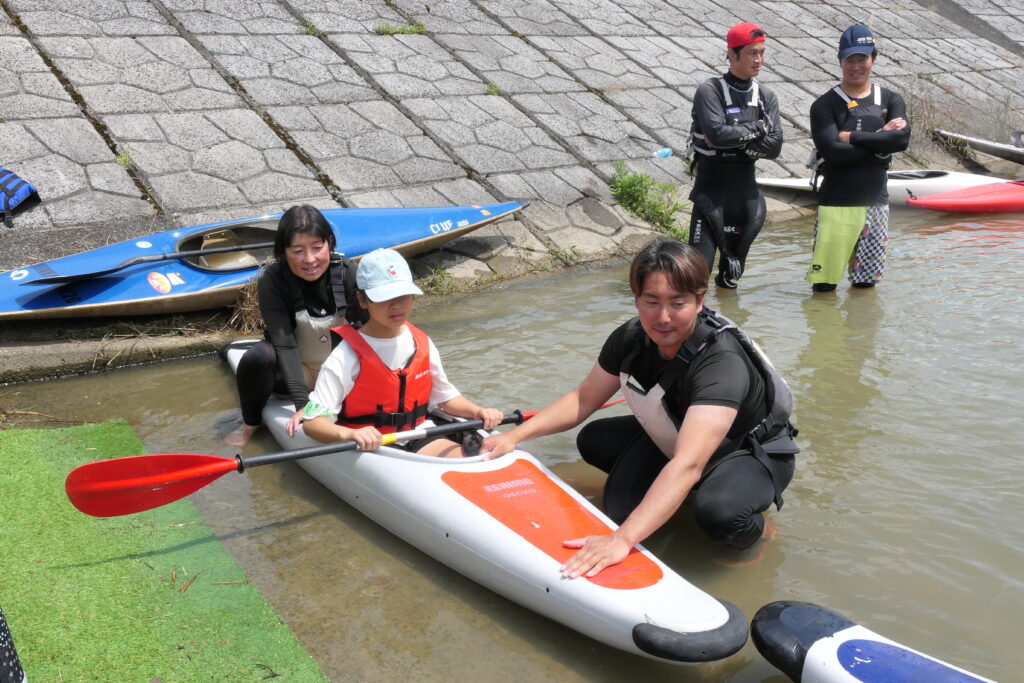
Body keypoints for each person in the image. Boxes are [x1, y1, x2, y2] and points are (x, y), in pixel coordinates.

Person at [482, 238, 798, 578]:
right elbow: (584, 398)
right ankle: (677, 499)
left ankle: (757, 532)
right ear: (636, 299)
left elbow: (688, 463)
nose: (662, 318)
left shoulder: (720, 363)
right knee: (593, 439)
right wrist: (514, 437)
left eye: (677, 303)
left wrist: (622, 539)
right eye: (651, 302)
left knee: (720, 514)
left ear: (699, 300)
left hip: (744, 452)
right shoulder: (631, 338)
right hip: (680, 436)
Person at [301, 248, 503, 457]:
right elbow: (313, 424)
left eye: (403, 295)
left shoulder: (422, 342)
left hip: (418, 433)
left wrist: (478, 411)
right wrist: (348, 435)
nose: (396, 305)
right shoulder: (345, 355)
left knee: (485, 453)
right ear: (362, 300)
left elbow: (445, 398)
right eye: (385, 297)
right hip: (370, 444)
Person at [225, 204, 364, 446]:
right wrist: (304, 407)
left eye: (317, 248)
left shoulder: (348, 272)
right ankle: (250, 423)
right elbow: (285, 345)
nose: (309, 260)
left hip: (342, 369)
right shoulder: (272, 281)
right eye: (298, 250)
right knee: (258, 356)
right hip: (296, 368)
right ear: (283, 251)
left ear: (330, 243)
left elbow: (370, 333)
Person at [806, 24, 910, 292]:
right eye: (849, 59)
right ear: (840, 61)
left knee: (865, 289)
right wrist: (880, 144)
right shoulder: (824, 105)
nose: (856, 66)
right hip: (836, 207)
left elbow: (900, 140)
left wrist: (851, 137)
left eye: (862, 59)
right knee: (824, 287)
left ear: (873, 59)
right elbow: (832, 152)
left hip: (875, 206)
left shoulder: (890, 99)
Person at [687, 21, 783, 290]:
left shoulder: (766, 96)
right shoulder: (710, 90)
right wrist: (758, 129)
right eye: (752, 52)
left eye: (762, 52)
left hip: (747, 201)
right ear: (732, 53)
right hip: (711, 197)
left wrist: (733, 138)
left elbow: (775, 148)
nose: (759, 59)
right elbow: (717, 136)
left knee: (730, 281)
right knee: (695, 280)